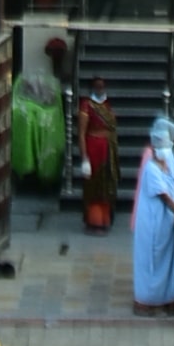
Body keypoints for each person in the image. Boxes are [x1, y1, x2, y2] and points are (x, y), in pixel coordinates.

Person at [132, 118, 174, 314]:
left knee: (168, 259)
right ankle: (146, 300)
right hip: (153, 221)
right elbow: (164, 196)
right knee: (151, 261)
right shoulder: (151, 169)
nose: (166, 150)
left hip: (167, 222)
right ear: (155, 149)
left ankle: (169, 297)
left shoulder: (169, 161)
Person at [76, 77, 119, 231]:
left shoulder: (107, 105)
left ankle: (105, 218)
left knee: (106, 185)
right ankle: (93, 219)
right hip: (93, 148)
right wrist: (84, 159)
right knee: (93, 185)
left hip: (108, 149)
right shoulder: (86, 106)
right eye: (97, 86)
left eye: (102, 86)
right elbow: (81, 133)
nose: (100, 89)